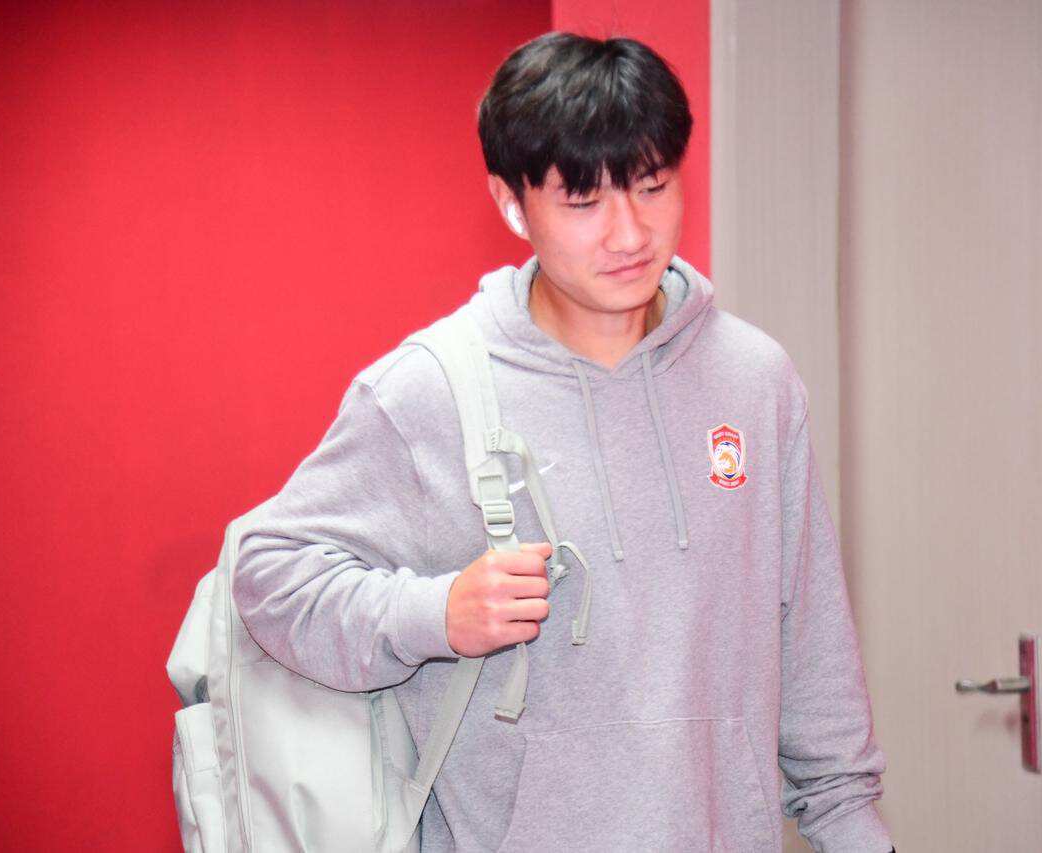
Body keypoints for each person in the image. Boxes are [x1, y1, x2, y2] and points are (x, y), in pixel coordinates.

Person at [233, 31, 895, 852]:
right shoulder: (427, 390)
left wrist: (854, 825)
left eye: (652, 187)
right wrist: (434, 613)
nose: (629, 233)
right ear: (512, 202)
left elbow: (812, 642)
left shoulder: (755, 381)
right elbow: (269, 574)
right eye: (584, 202)